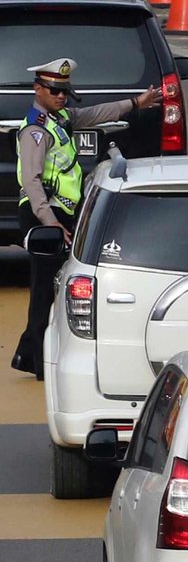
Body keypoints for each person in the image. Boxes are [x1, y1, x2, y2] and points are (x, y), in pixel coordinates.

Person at [12, 57, 162, 380]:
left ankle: (27, 353)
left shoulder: (60, 118)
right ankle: (39, 363)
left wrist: (136, 103)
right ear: (38, 89)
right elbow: (31, 183)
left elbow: (96, 113)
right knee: (44, 290)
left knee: (55, 284)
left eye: (64, 90)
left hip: (61, 214)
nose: (61, 96)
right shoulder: (36, 132)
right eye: (54, 90)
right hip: (44, 217)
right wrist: (49, 223)